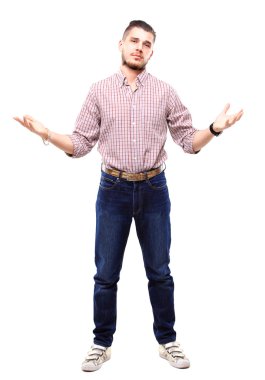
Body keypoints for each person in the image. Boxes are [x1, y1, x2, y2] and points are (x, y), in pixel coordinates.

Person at [13, 20, 243, 372]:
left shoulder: (164, 92)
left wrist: (214, 129)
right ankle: (101, 343)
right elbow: (80, 144)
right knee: (106, 273)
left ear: (152, 51)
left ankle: (167, 340)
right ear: (120, 44)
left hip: (154, 190)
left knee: (160, 271)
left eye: (146, 43)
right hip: (113, 191)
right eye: (134, 40)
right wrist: (48, 133)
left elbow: (188, 142)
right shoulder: (99, 91)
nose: (139, 47)